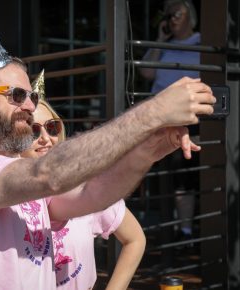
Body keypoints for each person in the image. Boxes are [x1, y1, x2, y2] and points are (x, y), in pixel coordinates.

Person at [0, 28, 215, 290]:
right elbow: (50, 175)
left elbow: (93, 194)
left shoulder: (20, 172)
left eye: (31, 97)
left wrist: (149, 148)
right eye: (15, 95)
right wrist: (154, 112)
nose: (29, 106)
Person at [21, 71, 146, 290]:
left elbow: (135, 240)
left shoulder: (83, 185)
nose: (45, 138)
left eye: (51, 127)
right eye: (32, 131)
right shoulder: (8, 194)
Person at [139, 0, 200, 240]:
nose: (172, 18)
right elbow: (146, 71)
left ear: (190, 17)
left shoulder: (201, 42)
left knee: (183, 176)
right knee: (159, 174)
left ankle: (184, 232)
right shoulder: (164, 45)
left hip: (187, 117)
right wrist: (160, 39)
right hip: (158, 119)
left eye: (177, 13)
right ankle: (164, 228)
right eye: (169, 14)